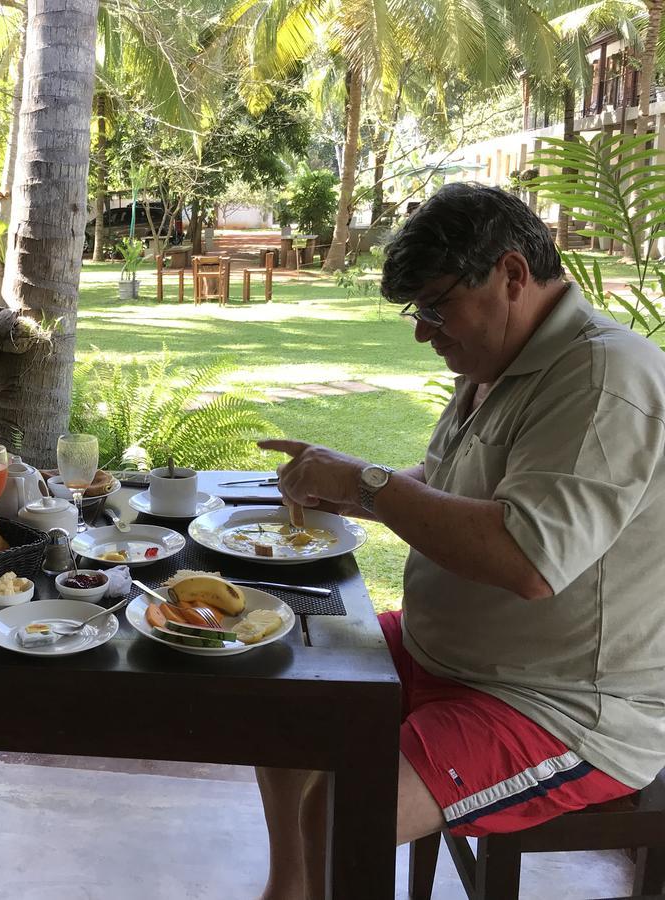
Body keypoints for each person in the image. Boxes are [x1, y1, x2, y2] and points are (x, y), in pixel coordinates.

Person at [255, 182, 665, 900]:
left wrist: (367, 485)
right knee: (287, 684)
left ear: (510, 274)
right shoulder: (500, 364)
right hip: (446, 652)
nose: (424, 330)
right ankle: (290, 892)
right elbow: (448, 485)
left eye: (436, 305)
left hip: (559, 704)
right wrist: (350, 487)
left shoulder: (602, 377)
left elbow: (527, 557)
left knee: (346, 804)